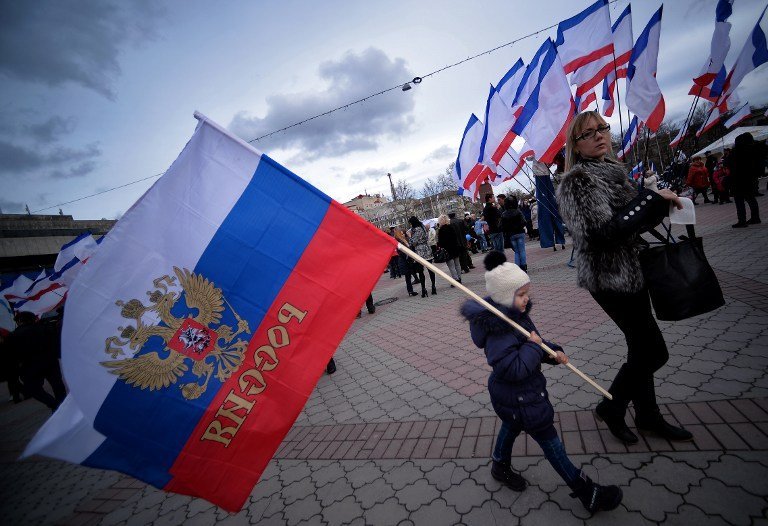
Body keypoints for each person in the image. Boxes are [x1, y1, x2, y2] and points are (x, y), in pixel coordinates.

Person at [557, 110, 692, 444]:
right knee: (654, 351)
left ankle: (648, 416)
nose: (599, 135)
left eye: (602, 128)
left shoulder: (614, 171)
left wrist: (662, 200)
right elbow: (602, 233)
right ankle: (612, 407)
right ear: (576, 144)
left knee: (640, 347)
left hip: (633, 268)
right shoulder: (578, 180)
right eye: (588, 133)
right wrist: (650, 201)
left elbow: (636, 220)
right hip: (609, 276)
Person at [461, 252, 622, 514]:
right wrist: (536, 348)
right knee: (550, 442)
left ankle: (499, 464)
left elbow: (533, 340)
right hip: (521, 397)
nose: (527, 299)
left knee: (511, 426)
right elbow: (514, 367)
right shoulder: (498, 331)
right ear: (504, 297)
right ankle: (586, 492)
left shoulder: (517, 315)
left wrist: (552, 352)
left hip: (518, 396)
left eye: (527, 292)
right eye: (521, 294)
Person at [5, 311, 66, 411]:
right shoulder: (46, 329)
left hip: (29, 367)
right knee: (58, 386)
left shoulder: (13, 336)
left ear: (20, 321)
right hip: (50, 363)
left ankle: (53, 404)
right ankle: (62, 407)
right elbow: (57, 344)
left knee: (34, 389)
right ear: (34, 319)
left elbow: (11, 356)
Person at [725, 132, 764, 228]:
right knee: (751, 199)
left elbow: (728, 163)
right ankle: (756, 218)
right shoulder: (754, 149)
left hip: (737, 180)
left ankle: (742, 221)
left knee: (739, 200)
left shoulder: (736, 151)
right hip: (750, 178)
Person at [407, 216, 437, 297]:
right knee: (430, 270)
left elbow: (413, 242)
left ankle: (424, 289)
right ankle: (433, 287)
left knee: (421, 271)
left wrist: (409, 236)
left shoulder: (417, 230)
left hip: (420, 251)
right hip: (427, 249)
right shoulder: (423, 227)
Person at [500, 196, 528, 271]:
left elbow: (502, 226)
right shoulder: (518, 211)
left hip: (511, 235)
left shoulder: (503, 214)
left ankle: (518, 268)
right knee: (522, 250)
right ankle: (524, 266)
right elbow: (524, 222)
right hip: (520, 232)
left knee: (516, 252)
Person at [437, 214, 462, 284]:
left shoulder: (441, 230)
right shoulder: (451, 227)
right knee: (457, 264)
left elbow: (440, 242)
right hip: (455, 248)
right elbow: (455, 237)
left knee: (451, 266)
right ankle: (459, 278)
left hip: (447, 250)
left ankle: (455, 280)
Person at [394, 229, 418, 297]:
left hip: (408, 260)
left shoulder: (404, 240)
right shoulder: (399, 243)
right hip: (405, 261)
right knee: (408, 277)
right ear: (398, 235)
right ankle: (410, 291)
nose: (403, 235)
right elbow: (402, 253)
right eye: (401, 234)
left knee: (409, 276)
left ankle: (410, 290)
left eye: (403, 233)